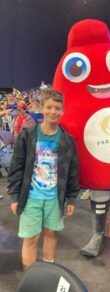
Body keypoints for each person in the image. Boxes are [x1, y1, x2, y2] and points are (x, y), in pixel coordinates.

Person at [8, 89, 79, 270]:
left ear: (63, 110)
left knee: (51, 233)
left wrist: (71, 197)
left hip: (55, 197)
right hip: (31, 196)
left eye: (57, 108)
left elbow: (72, 170)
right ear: (41, 108)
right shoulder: (29, 134)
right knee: (30, 238)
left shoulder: (67, 140)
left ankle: (47, 273)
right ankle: (30, 280)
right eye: (49, 107)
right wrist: (14, 196)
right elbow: (17, 166)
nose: (53, 111)